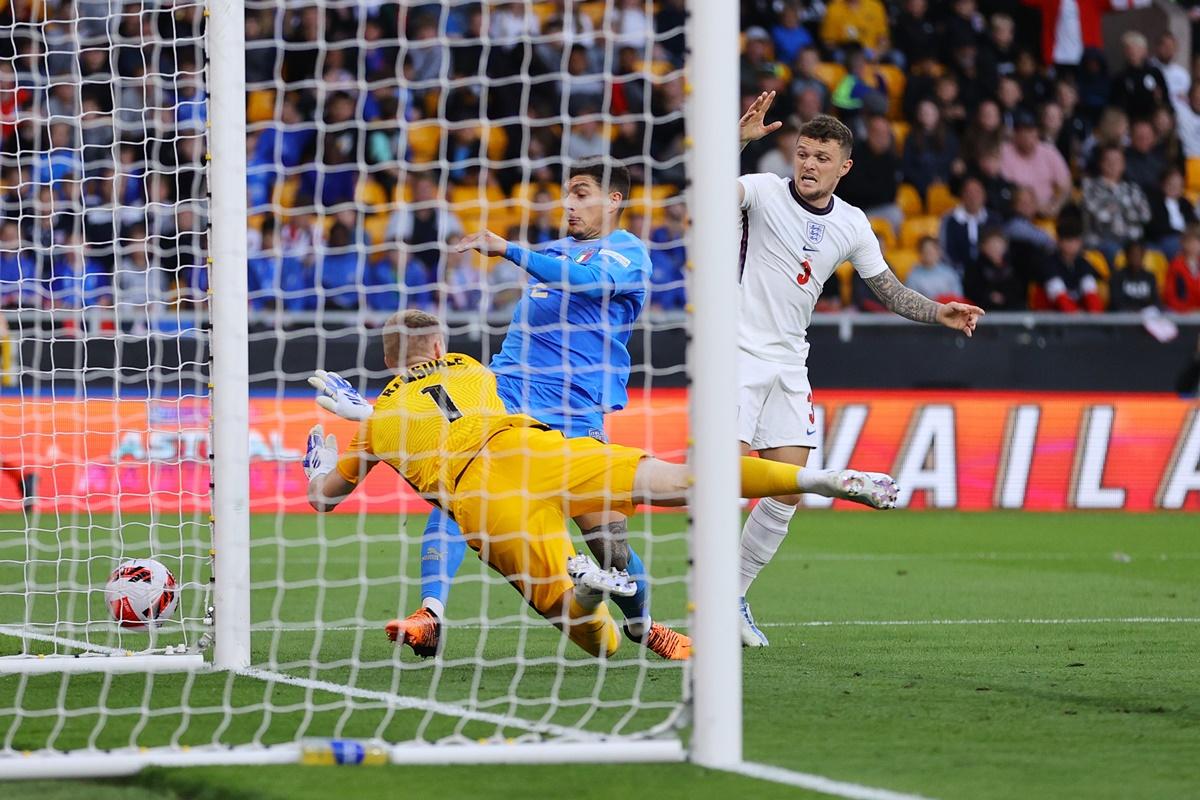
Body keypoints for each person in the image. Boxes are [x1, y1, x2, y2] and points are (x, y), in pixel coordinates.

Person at [303, 311, 900, 659]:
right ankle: (822, 477)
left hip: (483, 495)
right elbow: (443, 408)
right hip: (536, 446)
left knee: (596, 637)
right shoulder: (471, 367)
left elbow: (325, 497)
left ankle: (593, 593)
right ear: (439, 346)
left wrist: (324, 454)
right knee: (681, 478)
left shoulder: (379, 423)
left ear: (387, 363)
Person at [388, 160, 683, 662]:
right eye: (567, 194)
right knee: (454, 503)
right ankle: (429, 614)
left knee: (607, 542)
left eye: (582, 193)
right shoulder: (549, 253)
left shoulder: (628, 254)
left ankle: (643, 626)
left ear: (613, 200)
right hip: (510, 405)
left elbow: (587, 283)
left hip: (575, 417)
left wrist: (509, 250)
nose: (568, 203)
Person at [735, 95, 983, 646]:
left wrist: (937, 311)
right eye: (802, 153)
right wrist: (738, 141)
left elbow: (888, 288)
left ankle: (732, 594)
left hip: (788, 361)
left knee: (786, 492)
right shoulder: (763, 190)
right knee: (724, 476)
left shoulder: (851, 223)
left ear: (844, 166)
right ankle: (697, 590)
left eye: (821, 157)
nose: (808, 164)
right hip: (736, 351)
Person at [1081, 145, 1151, 266]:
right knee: (1116, 252)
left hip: (1132, 241)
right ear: (1101, 163)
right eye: (1108, 160)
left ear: (1123, 165)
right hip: (1102, 241)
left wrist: (1114, 207)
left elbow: (1145, 216)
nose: (1112, 164)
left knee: (1154, 253)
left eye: (1117, 161)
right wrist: (1128, 209)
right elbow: (1100, 217)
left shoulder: (1132, 188)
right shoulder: (1090, 187)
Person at [1000, 111, 1072, 218]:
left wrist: (1057, 206)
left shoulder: (1049, 151)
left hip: (1050, 212)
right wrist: (1036, 207)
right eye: (1023, 131)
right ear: (1015, 134)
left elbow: (1066, 186)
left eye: (1031, 131)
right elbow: (1008, 189)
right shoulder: (1004, 151)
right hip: (1017, 214)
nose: (1028, 136)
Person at [1043, 218, 1104, 313]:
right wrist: (1076, 317)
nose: (1072, 245)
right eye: (1068, 240)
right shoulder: (1050, 263)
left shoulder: (1082, 262)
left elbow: (1091, 292)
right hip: (1052, 315)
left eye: (1076, 240)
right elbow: (1059, 297)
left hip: (1080, 314)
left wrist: (1094, 317)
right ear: (1059, 242)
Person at [964, 228, 1025, 311]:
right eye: (992, 245)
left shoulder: (1015, 266)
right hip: (984, 311)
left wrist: (1005, 297)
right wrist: (990, 296)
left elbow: (1019, 291)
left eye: (999, 245)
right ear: (983, 247)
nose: (996, 249)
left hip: (1012, 309)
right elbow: (972, 291)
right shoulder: (975, 268)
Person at [905, 237, 964, 302]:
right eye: (926, 251)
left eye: (932, 250)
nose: (929, 254)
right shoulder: (914, 276)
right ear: (920, 253)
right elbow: (911, 301)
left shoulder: (949, 272)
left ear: (939, 252)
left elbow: (958, 296)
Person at [1109, 241, 1162, 311]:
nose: (1136, 258)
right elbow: (1116, 303)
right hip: (1124, 316)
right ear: (1127, 256)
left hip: (1146, 315)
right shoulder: (1117, 276)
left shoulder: (1150, 277)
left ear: (1143, 255)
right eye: (1133, 254)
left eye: (1138, 254)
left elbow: (1155, 301)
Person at [1165, 229, 1200, 312]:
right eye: (1191, 242)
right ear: (1183, 244)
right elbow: (1170, 295)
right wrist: (1185, 310)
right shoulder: (1176, 265)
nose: (1194, 245)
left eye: (1197, 241)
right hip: (1182, 313)